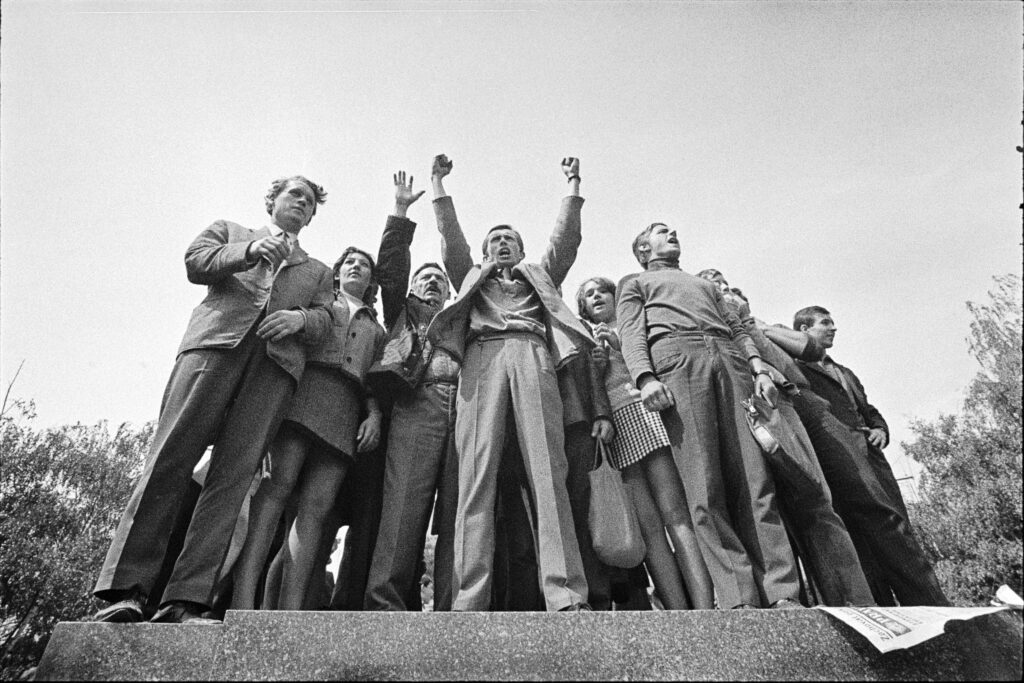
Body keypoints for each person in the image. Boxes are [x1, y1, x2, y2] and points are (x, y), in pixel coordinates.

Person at [93, 176, 334, 623]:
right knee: (170, 459)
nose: (301, 202)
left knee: (232, 480)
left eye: (309, 201)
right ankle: (125, 590)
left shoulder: (318, 270)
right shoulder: (230, 231)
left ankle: (185, 600)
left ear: (312, 216)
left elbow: (326, 319)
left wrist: (299, 319)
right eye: (293, 194)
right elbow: (195, 261)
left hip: (272, 372)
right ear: (272, 202)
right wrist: (247, 253)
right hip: (212, 350)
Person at [426, 154, 591, 612]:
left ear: (521, 251)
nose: (503, 245)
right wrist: (438, 186)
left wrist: (572, 187)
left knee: (547, 472)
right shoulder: (470, 278)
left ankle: (565, 595)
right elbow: (451, 241)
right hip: (481, 359)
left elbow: (565, 241)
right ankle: (467, 599)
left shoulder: (539, 278)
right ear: (484, 253)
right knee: (474, 477)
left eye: (511, 240)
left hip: (533, 354)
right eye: (495, 240)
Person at [616, 222, 802, 610]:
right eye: (660, 232)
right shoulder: (634, 283)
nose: (672, 233)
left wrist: (759, 367)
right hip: (677, 359)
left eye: (672, 230)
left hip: (729, 360)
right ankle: (739, 596)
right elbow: (632, 334)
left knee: (755, 478)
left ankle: (783, 592)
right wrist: (646, 377)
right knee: (702, 483)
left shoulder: (706, 286)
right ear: (643, 250)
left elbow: (737, 328)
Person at [694, 271, 874, 606]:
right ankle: (783, 596)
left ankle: (855, 600)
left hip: (780, 404)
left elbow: (805, 351)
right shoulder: (702, 325)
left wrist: (748, 319)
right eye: (711, 284)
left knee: (814, 498)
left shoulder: (755, 327)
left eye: (724, 282)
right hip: (734, 405)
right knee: (758, 501)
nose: (721, 288)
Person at [230, 243, 384, 611]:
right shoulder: (321, 303)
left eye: (364, 265)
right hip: (303, 397)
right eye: (350, 262)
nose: (356, 268)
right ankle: (242, 600)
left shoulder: (375, 328)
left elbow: (374, 380)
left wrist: (373, 414)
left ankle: (290, 609)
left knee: (317, 509)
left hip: (345, 412)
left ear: (371, 280)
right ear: (337, 270)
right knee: (275, 492)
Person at [792, 306, 950, 606]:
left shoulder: (844, 371)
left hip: (873, 458)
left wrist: (880, 428)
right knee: (862, 532)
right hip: (840, 457)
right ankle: (886, 605)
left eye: (833, 322)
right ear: (803, 330)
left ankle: (927, 602)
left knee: (896, 526)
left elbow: (868, 408)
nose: (833, 328)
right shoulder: (797, 369)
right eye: (825, 323)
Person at [578, 276, 714, 609]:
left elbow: (648, 363)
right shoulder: (584, 336)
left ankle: (704, 605)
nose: (596, 297)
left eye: (602, 291)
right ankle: (676, 608)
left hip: (645, 413)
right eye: (589, 295)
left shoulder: (630, 327)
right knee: (649, 526)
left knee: (676, 515)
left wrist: (618, 343)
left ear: (615, 297)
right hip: (615, 424)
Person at [363, 167, 462, 612]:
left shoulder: (461, 317)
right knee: (404, 506)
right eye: (426, 278)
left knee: (461, 511)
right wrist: (400, 212)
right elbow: (391, 267)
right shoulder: (402, 310)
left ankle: (452, 606)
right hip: (416, 405)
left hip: (464, 407)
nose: (432, 283)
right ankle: (384, 602)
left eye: (439, 280)